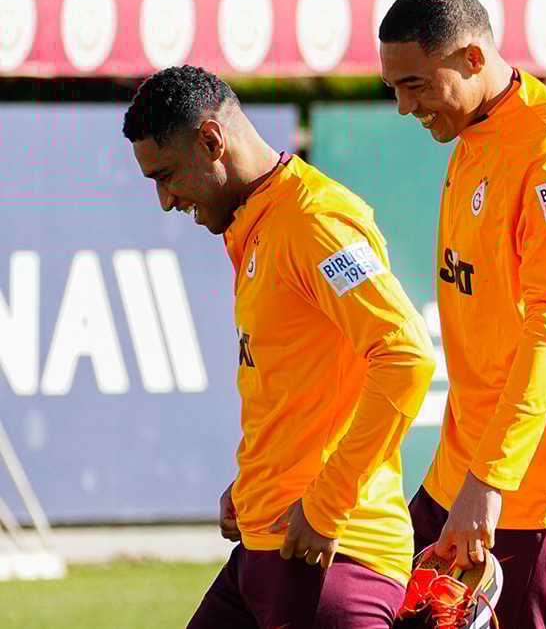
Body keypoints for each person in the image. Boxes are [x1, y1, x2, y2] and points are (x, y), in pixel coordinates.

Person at [122, 65, 436, 629]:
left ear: (212, 141)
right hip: (268, 548)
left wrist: (327, 503)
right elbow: (303, 386)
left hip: (332, 557)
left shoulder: (315, 222)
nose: (165, 200)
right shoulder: (260, 221)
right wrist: (252, 485)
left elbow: (405, 356)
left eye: (166, 176)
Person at [377, 0, 546, 628]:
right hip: (458, 477)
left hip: (540, 494)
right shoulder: (472, 133)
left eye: (415, 85)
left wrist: (488, 481)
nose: (404, 107)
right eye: (394, 88)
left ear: (472, 57)